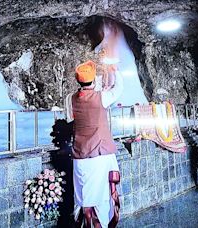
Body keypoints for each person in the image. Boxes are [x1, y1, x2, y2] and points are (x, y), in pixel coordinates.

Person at [65, 60, 123, 227]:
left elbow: (70, 118)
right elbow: (118, 89)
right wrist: (114, 70)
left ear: (79, 81)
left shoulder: (70, 99)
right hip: (99, 155)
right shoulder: (101, 97)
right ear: (93, 79)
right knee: (102, 197)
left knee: (83, 198)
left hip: (80, 155)